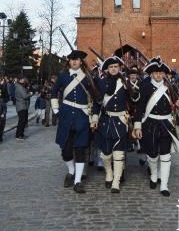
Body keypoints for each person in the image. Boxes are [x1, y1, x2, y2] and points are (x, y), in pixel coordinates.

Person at [133, 57, 179, 197]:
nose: (158, 75)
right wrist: (137, 126)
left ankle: (164, 185)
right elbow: (140, 108)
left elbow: (177, 103)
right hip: (149, 124)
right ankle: (154, 175)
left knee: (165, 155)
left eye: (161, 73)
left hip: (166, 124)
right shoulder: (144, 86)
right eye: (156, 73)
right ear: (151, 73)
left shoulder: (170, 86)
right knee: (152, 154)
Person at [91, 55, 137, 194]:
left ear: (119, 68)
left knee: (118, 153)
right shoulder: (100, 82)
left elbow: (135, 99)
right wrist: (94, 118)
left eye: (116, 66)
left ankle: (116, 181)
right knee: (106, 153)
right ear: (107, 69)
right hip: (106, 120)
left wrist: (132, 88)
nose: (113, 69)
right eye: (111, 67)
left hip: (120, 121)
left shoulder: (125, 81)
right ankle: (108, 174)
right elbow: (97, 103)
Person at [51, 50, 95, 194]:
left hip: (82, 118)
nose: (74, 62)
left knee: (81, 149)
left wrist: (93, 116)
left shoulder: (88, 77)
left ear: (81, 61)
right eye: (72, 59)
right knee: (66, 150)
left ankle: (77, 181)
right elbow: (54, 92)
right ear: (69, 61)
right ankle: (71, 171)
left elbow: (94, 96)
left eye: (77, 60)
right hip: (66, 116)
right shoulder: (63, 76)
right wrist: (56, 110)